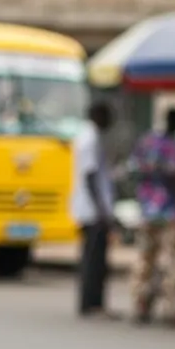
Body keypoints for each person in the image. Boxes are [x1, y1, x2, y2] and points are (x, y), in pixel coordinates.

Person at [129, 108, 175, 323]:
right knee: (174, 261)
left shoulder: (146, 143)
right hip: (171, 210)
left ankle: (141, 303)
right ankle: (173, 309)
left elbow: (134, 170)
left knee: (145, 259)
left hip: (147, 209)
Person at [72, 100, 116, 317]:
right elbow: (89, 175)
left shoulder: (90, 136)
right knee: (93, 260)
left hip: (93, 208)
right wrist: (100, 209)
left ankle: (92, 302)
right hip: (92, 210)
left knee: (95, 258)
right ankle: (91, 303)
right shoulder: (89, 139)